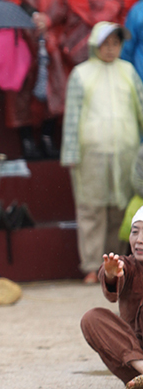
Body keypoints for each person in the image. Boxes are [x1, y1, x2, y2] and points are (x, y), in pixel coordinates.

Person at [61, 22, 143, 283]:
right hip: (91, 153)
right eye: (106, 43)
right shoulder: (81, 74)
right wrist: (71, 153)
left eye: (116, 43)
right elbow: (72, 116)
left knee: (120, 208)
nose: (111, 49)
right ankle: (90, 265)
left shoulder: (128, 71)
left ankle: (115, 264)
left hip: (125, 152)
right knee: (91, 209)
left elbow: (140, 106)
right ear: (96, 45)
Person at [0, 0, 68, 160]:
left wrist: (49, 20)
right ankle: (27, 141)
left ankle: (48, 138)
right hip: (23, 40)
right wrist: (31, 14)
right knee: (22, 92)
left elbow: (68, 0)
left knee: (52, 88)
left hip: (52, 39)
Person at [80, 208, 143, 389]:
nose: (139, 239)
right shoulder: (128, 266)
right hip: (133, 363)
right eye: (135, 232)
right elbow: (112, 283)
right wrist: (110, 274)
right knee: (92, 318)